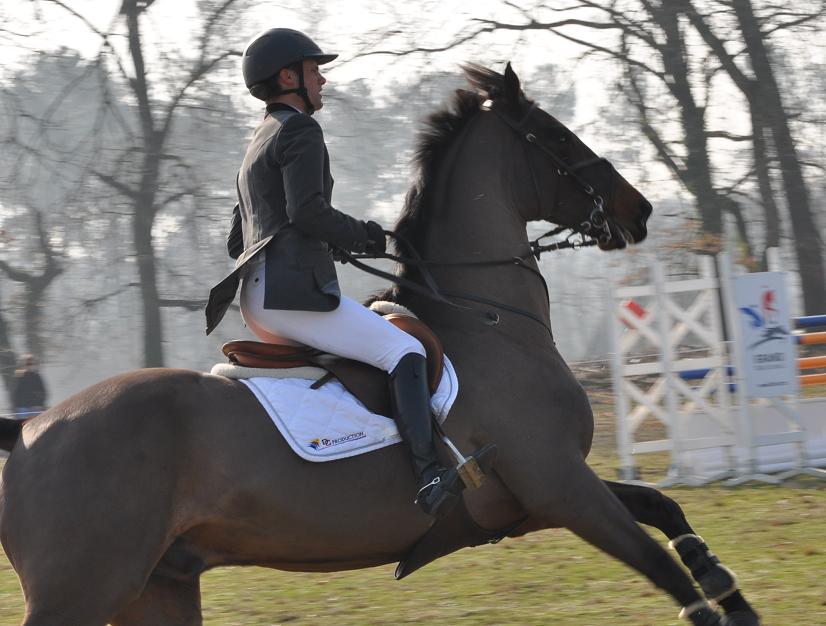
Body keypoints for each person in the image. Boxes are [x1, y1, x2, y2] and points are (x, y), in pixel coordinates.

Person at [205, 28, 464, 519]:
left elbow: (238, 241)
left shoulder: (257, 140)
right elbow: (308, 212)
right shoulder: (300, 130)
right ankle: (430, 475)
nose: (322, 78)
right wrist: (365, 236)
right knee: (405, 350)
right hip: (292, 298)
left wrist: (318, 246)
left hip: (257, 300)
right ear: (288, 77)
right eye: (313, 69)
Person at [12, 354, 47, 420]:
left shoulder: (36, 376)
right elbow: (15, 392)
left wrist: (40, 403)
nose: (28, 366)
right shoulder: (19, 376)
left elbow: (43, 392)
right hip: (22, 408)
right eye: (27, 364)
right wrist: (15, 407)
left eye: (30, 364)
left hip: (35, 407)